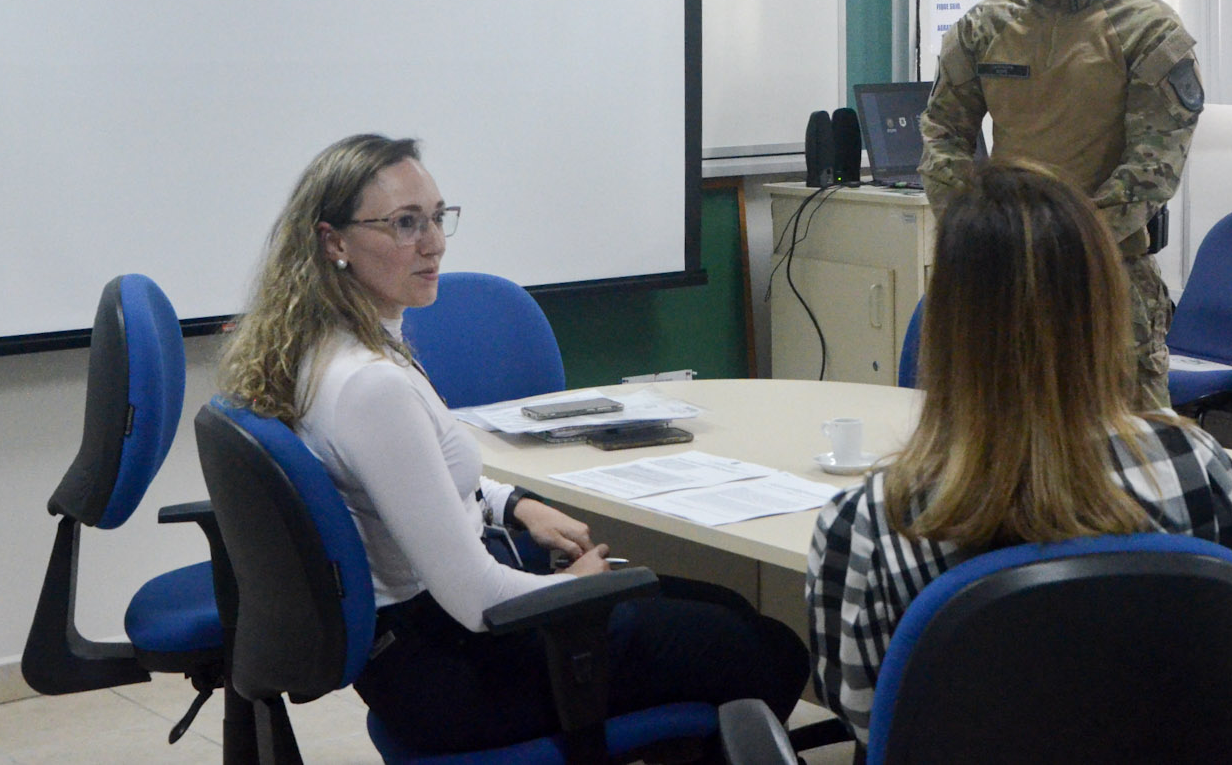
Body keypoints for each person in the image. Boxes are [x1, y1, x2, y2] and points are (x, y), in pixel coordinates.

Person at [217, 134, 807, 755]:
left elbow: (419, 478)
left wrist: (516, 504)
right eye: (404, 223)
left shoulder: (325, 346)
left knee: (727, 608)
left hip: (420, 652)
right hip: (456, 673)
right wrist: (576, 587)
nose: (434, 243)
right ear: (334, 241)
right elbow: (476, 598)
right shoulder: (370, 387)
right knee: (766, 650)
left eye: (437, 217)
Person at [807, 161, 1232, 747]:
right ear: (1105, 310)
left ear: (944, 323)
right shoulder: (1195, 467)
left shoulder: (875, 521)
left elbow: (871, 723)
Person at [919, 0, 1201, 411]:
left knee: (1129, 444)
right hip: (1003, 275)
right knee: (999, 435)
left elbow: (1151, 170)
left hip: (1105, 277)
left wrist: (1062, 247)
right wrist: (975, 231)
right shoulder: (984, 28)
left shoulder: (1148, 30)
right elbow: (942, 135)